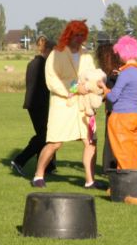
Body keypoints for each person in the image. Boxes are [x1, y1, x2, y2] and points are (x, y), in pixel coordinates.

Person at [32, 21, 98, 188]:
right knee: (55, 143)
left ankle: (90, 180)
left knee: (90, 142)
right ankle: (38, 175)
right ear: (68, 35)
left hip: (84, 105)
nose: (79, 38)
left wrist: (90, 88)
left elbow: (93, 77)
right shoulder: (56, 54)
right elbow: (52, 80)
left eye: (82, 35)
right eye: (76, 35)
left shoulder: (87, 55)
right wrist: (75, 88)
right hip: (63, 105)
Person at [104, 35, 137, 170]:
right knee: (136, 153)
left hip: (122, 117)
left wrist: (104, 89)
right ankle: (136, 181)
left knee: (123, 154)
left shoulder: (125, 73)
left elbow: (113, 97)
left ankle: (126, 182)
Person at [11, 36, 54, 175]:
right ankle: (20, 160)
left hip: (34, 103)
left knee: (44, 135)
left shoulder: (33, 63)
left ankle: (48, 166)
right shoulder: (43, 65)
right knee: (44, 136)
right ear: (48, 50)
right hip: (38, 104)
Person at [95, 41, 123, 174]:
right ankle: (113, 166)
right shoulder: (119, 71)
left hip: (112, 107)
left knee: (110, 138)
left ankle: (108, 167)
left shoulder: (108, 73)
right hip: (119, 107)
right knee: (116, 138)